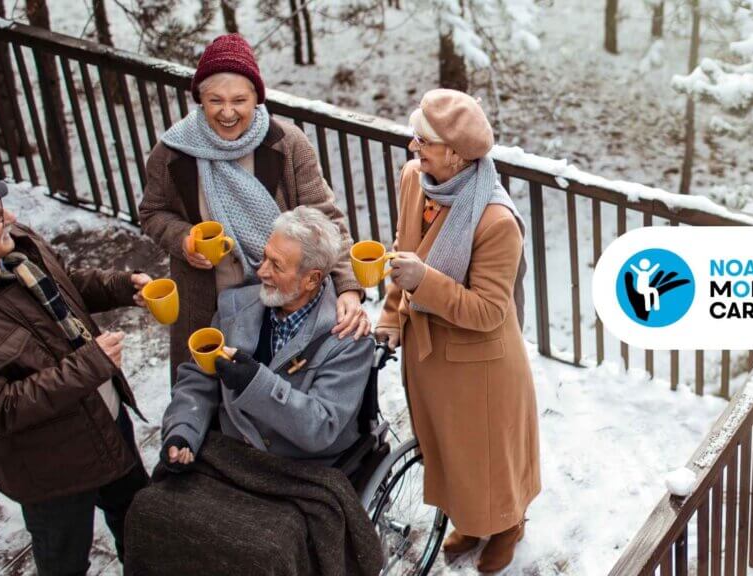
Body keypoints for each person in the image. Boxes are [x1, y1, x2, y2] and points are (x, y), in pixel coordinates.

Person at [0, 176, 151, 575]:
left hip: (108, 423)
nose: (13, 218)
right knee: (64, 561)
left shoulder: (16, 243)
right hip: (53, 469)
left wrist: (122, 286)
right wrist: (90, 365)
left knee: (140, 529)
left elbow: (63, 284)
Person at [139, 33, 370, 385]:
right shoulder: (173, 152)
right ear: (199, 99)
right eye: (215, 100)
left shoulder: (288, 144)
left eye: (239, 100)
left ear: (257, 99)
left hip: (285, 299)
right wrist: (183, 239)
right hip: (207, 302)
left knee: (278, 393)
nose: (227, 112)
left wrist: (349, 287)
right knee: (205, 392)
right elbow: (152, 212)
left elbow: (325, 220)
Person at [374, 89, 541, 572]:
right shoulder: (415, 180)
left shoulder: (495, 220)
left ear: (456, 153)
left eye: (424, 140)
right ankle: (471, 518)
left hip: (480, 364)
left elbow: (491, 310)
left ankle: (509, 523)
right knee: (451, 456)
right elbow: (404, 252)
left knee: (489, 456)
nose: (413, 147)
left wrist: (424, 282)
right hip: (430, 359)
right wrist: (390, 316)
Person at [160, 206, 374, 466]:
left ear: (311, 279)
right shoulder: (235, 306)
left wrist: (255, 382)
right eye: (265, 258)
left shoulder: (348, 338)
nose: (261, 272)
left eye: (276, 265)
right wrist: (182, 431)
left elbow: (321, 426)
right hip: (234, 453)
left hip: (303, 468)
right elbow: (199, 380)